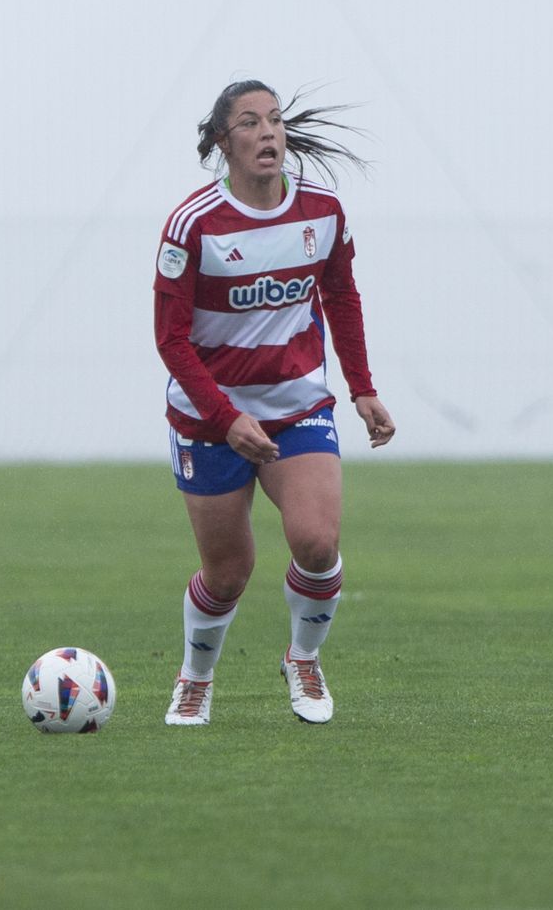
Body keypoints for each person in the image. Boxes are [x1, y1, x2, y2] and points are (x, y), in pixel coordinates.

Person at [152, 79, 395, 727]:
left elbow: (341, 297)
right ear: (223, 142)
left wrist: (362, 388)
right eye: (250, 122)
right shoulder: (192, 226)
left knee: (317, 543)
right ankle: (195, 677)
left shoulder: (323, 212)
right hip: (209, 416)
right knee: (228, 573)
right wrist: (227, 419)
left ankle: (304, 659)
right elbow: (171, 341)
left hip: (296, 406)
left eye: (275, 120)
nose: (267, 132)